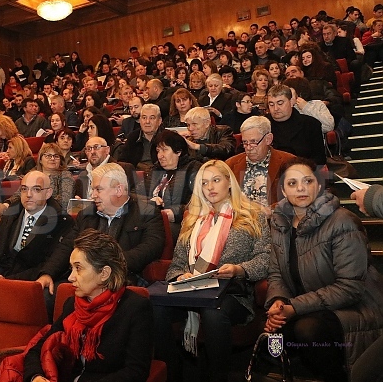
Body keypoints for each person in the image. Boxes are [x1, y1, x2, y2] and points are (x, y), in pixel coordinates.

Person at [265, 157, 383, 382]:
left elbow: (350, 287)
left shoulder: (342, 221)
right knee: (274, 336)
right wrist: (278, 302)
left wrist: (294, 307)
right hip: (305, 306)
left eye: (307, 181)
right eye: (292, 183)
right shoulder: (280, 223)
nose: (300, 188)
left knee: (307, 331)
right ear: (282, 189)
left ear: (318, 185)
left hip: (355, 307)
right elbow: (276, 273)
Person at [154, 160, 270, 382]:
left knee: (214, 313)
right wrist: (181, 275)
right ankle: (172, 371)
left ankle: (218, 377)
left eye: (216, 180)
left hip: (232, 292)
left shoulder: (252, 215)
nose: (210, 187)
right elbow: (177, 263)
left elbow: (265, 259)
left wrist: (239, 269)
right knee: (155, 309)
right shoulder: (193, 218)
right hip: (190, 290)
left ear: (229, 182)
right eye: (205, 183)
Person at [24, 230, 153, 382]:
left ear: (104, 273)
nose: (70, 277)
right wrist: (36, 377)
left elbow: (135, 372)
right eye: (71, 268)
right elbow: (37, 349)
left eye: (78, 268)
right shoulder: (72, 305)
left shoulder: (135, 308)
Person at [0, 171, 74, 292]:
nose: (28, 195)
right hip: (0, 278)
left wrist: (9, 281)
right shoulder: (10, 214)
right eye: (24, 189)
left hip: (30, 283)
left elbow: (47, 265)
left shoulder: (62, 221)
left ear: (48, 193)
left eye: (36, 189)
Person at [225, 116, 295, 211]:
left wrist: (271, 210)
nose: (249, 148)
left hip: (274, 220)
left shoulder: (288, 162)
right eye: (245, 143)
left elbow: (296, 197)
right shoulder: (231, 164)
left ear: (268, 139)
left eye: (254, 142)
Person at [145, 129, 201, 239]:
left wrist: (176, 213)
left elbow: (198, 202)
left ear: (178, 151)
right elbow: (135, 194)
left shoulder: (193, 169)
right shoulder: (155, 170)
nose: (160, 156)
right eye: (158, 151)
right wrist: (149, 201)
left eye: (164, 150)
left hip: (179, 224)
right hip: (153, 220)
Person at [5, 143, 75, 212]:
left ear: (60, 160)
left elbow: (65, 200)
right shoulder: (32, 174)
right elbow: (19, 194)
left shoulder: (65, 175)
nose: (52, 159)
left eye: (56, 156)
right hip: (27, 210)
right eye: (48, 156)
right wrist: (7, 203)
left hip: (53, 213)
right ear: (40, 160)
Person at [267, 84, 326, 165]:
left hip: (303, 172)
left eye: (280, 103)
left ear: (291, 102)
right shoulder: (262, 125)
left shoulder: (311, 124)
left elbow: (319, 160)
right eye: (271, 104)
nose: (275, 108)